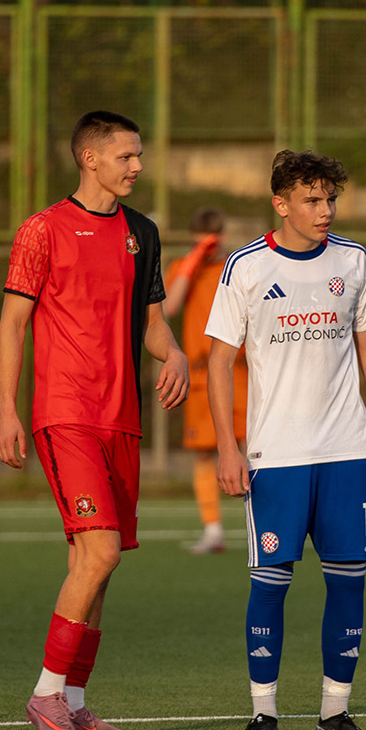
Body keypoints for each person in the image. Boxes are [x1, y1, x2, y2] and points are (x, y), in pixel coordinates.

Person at [203, 149, 366, 730]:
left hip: (346, 451)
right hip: (276, 456)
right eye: (313, 200)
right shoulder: (244, 266)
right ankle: (263, 714)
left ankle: (334, 716)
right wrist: (227, 445)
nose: (325, 211)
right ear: (281, 203)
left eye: (331, 200)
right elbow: (220, 360)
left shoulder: (353, 259)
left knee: (349, 580)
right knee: (270, 582)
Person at [0, 109, 189, 730]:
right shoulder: (42, 230)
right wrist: (6, 407)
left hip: (122, 419)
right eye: (127, 156)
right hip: (66, 413)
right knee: (99, 551)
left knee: (97, 562)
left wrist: (177, 353)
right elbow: (14, 324)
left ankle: (76, 701)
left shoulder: (143, 231)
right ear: (90, 159)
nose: (137, 166)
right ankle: (46, 693)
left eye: (139, 155)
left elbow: (151, 323)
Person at [162, 207, 249, 555]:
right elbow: (170, 306)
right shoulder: (183, 268)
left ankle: (263, 526)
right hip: (200, 375)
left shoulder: (238, 267)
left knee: (255, 450)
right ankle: (213, 530)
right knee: (204, 456)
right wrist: (195, 257)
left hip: (243, 373)